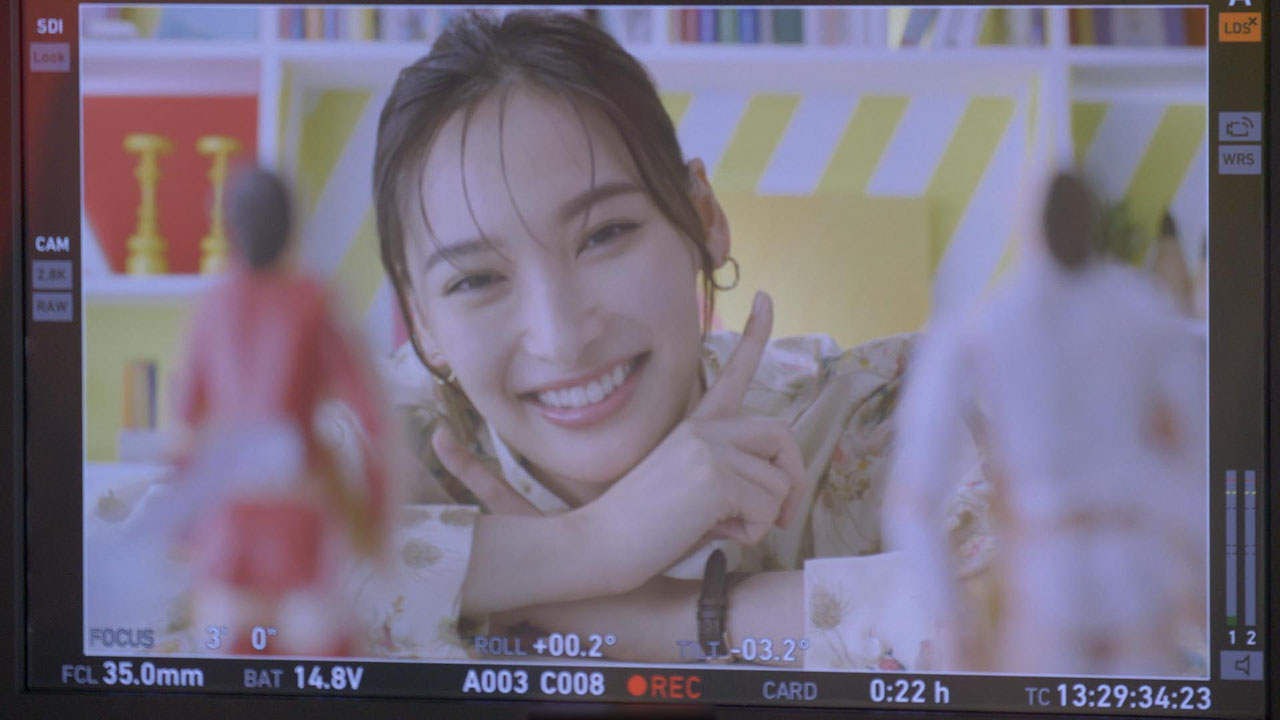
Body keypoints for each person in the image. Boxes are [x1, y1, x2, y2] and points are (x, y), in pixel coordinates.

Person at [339, 9, 994, 668]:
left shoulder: (877, 419)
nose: (562, 340)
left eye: (604, 235)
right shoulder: (372, 434)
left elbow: (1024, 615)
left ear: (702, 219)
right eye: (476, 280)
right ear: (421, 319)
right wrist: (594, 547)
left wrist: (671, 620)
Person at [884, 173, 1206, 674]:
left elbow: (912, 500)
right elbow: (1193, 462)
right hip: (1085, 559)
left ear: (1026, 228)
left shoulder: (990, 324)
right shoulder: (1140, 311)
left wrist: (952, 613)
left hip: (1070, 560)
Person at [171, 168, 394, 656]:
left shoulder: (213, 306)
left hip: (231, 505)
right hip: (299, 498)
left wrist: (185, 527)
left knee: (229, 645)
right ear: (293, 228)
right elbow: (373, 417)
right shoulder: (313, 300)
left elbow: (185, 427)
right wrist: (371, 515)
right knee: (320, 645)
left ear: (229, 229)